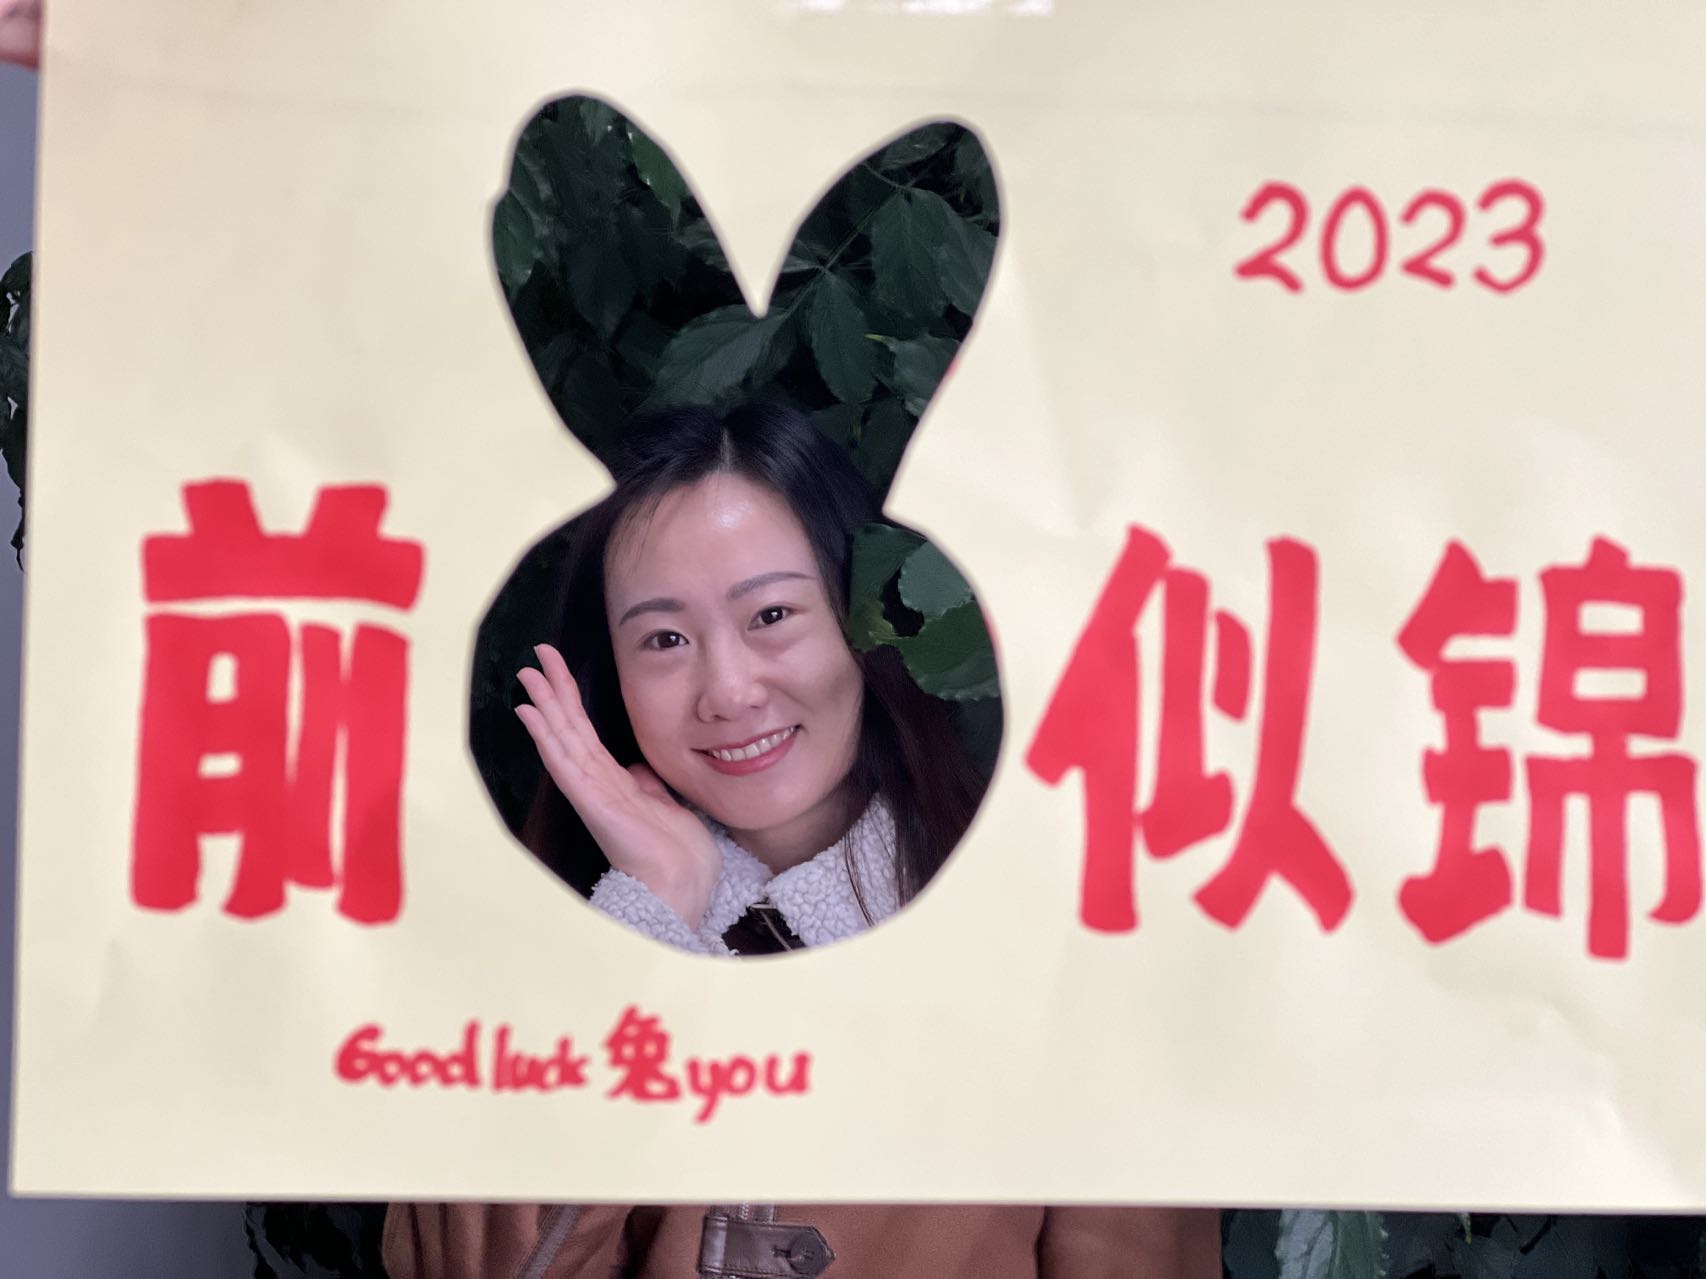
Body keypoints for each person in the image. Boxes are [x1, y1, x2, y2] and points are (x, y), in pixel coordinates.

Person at [385, 403, 1221, 1276]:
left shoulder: (1067, 951)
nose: (729, 689)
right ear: (612, 676)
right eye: (664, 638)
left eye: (772, 614)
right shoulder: (529, 959)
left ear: (865, 623)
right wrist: (645, 916)